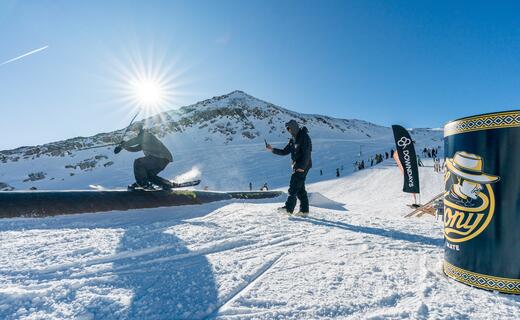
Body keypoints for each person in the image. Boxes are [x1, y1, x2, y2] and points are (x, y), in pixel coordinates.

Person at [266, 120, 312, 216]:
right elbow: (284, 151)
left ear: (294, 127)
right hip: (297, 166)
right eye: (288, 129)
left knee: (293, 186)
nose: (289, 130)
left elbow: (307, 153)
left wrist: (302, 167)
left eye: (290, 128)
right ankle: (304, 210)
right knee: (300, 189)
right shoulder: (292, 140)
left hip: (302, 166)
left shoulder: (304, 137)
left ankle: (288, 208)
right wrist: (272, 149)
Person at [114, 123, 174, 190]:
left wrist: (122, 145)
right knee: (148, 176)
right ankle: (166, 184)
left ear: (139, 129)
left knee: (139, 162)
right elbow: (135, 149)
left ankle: (142, 184)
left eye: (135, 129)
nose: (134, 131)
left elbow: (134, 141)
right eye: (134, 130)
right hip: (163, 160)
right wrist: (124, 146)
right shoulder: (143, 140)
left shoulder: (146, 135)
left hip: (160, 157)